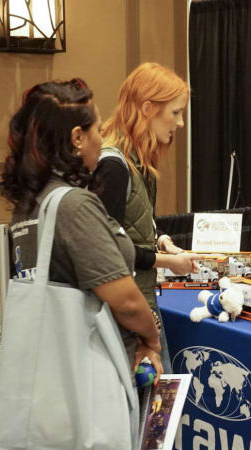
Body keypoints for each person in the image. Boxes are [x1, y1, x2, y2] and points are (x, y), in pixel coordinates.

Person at [0, 79, 163, 444]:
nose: (101, 140)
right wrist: (151, 339)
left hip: (48, 370)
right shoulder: (74, 205)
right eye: (97, 130)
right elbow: (125, 300)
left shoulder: (30, 204)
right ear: (76, 138)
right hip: (88, 369)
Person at [90, 62, 199, 371]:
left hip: (140, 302)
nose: (180, 123)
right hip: (124, 314)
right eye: (175, 113)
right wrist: (167, 262)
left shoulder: (136, 159)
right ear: (148, 108)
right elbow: (109, 252)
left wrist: (161, 240)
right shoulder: (114, 166)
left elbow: (133, 225)